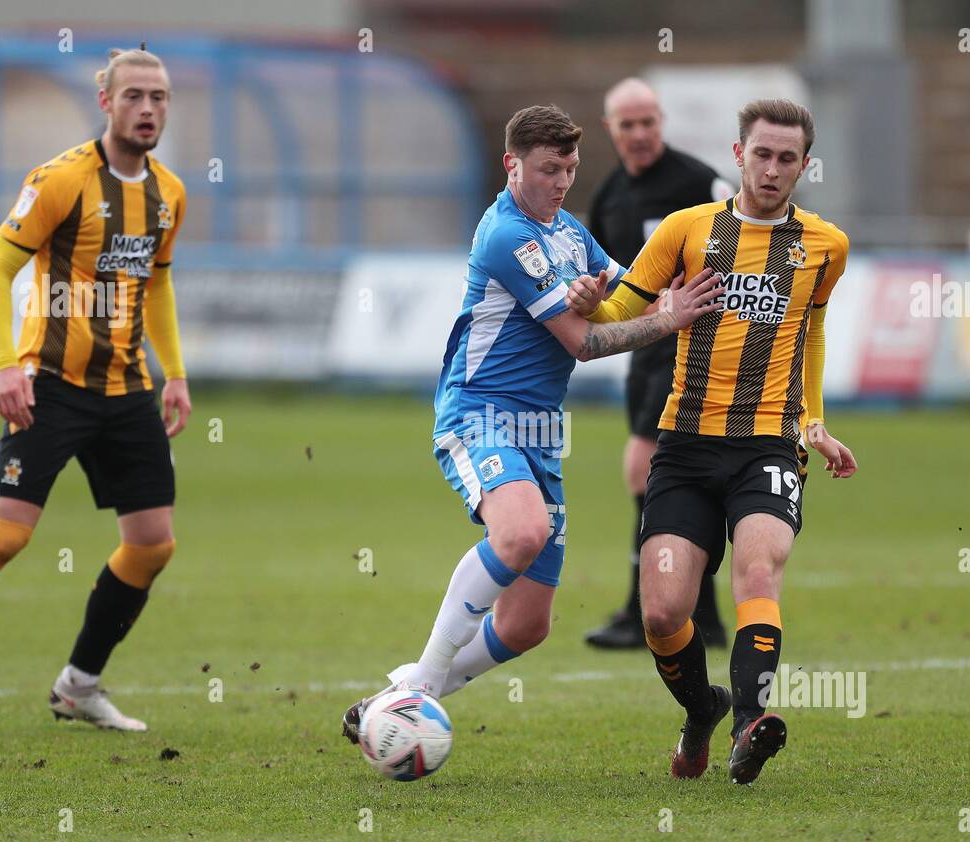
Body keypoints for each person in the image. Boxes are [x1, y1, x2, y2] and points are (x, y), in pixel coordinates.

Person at [341, 105, 721, 747]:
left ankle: (399, 696)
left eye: (570, 168)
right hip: (480, 413)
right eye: (549, 169)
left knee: (525, 627)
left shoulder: (568, 231)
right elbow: (582, 343)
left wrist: (638, 295)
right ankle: (417, 691)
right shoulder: (506, 236)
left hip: (542, 435)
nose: (562, 181)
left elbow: (626, 292)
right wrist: (665, 320)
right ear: (511, 165)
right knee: (521, 532)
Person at [0, 47, 191, 735]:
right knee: (1, 539)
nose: (148, 109)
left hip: (127, 390)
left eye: (160, 97)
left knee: (152, 543)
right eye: (135, 96)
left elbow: (160, 284)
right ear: (105, 102)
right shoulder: (60, 180)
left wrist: (173, 373)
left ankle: (79, 685)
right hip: (50, 388)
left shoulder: (169, 192)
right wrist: (6, 365)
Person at [567, 99, 857, 784]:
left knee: (760, 572)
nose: (774, 168)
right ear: (738, 155)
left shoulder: (825, 247)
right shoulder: (687, 230)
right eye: (763, 154)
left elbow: (809, 332)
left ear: (805, 165)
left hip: (767, 447)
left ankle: (749, 724)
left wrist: (812, 420)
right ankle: (704, 709)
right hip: (687, 446)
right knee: (663, 611)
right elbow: (618, 311)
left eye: (789, 158)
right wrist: (586, 303)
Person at [584, 77, 734, 651]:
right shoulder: (611, 195)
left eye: (649, 121)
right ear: (611, 130)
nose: (641, 133)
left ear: (661, 122)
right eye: (628, 124)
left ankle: (638, 610)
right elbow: (600, 277)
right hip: (642, 355)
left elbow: (749, 241)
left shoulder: (698, 182)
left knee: (644, 471)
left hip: (692, 352)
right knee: (661, 477)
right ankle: (706, 616)